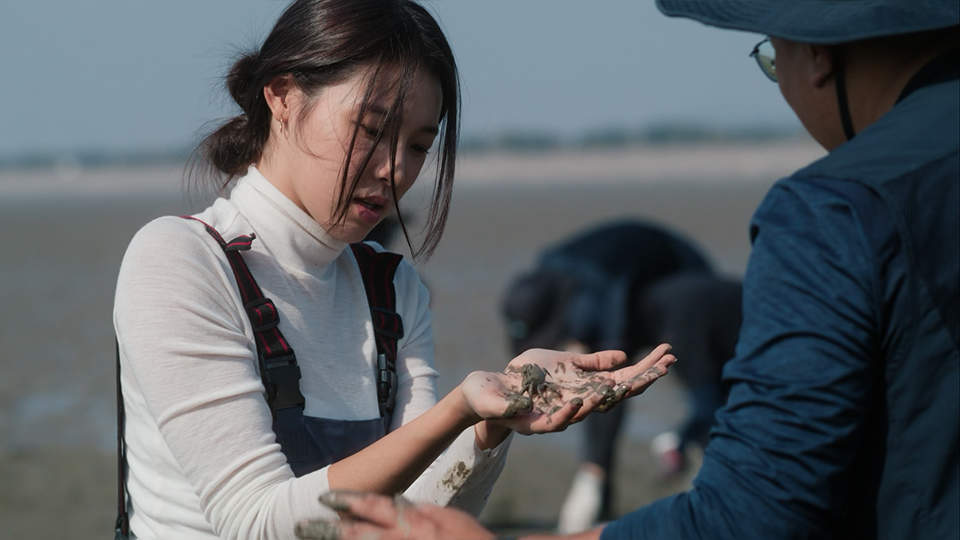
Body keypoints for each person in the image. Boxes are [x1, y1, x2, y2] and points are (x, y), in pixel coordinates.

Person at [314, 1, 960, 538]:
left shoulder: (835, 210)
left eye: (771, 60)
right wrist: (488, 417)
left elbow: (753, 516)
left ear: (818, 54)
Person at [111, 1, 678, 538]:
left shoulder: (392, 289)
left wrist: (489, 423)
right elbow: (256, 523)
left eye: (418, 146)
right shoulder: (182, 259)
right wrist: (456, 409)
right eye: (371, 129)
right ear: (282, 97)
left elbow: (419, 520)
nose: (394, 169)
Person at [498, 220, 727, 532]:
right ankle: (602, 495)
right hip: (638, 282)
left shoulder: (604, 291)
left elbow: (613, 376)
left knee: (700, 394)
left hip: (686, 278)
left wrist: (592, 472)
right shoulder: (541, 277)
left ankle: (710, 488)